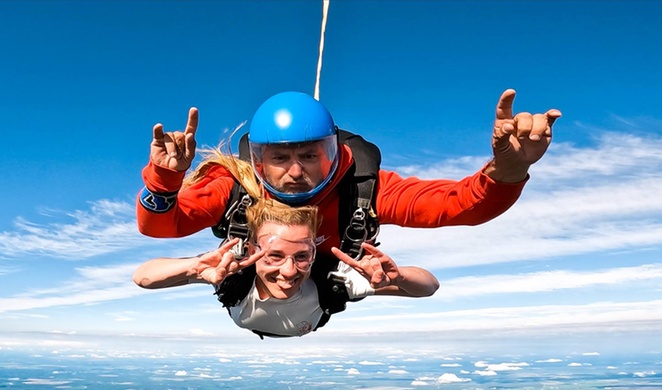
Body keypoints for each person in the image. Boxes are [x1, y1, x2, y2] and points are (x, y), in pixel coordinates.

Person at [137, 90, 561, 255]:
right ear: (258, 161)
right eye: (280, 159)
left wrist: (509, 167)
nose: (297, 171)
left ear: (334, 150)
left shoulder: (364, 188)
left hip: (326, 278)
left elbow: (459, 206)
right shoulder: (235, 186)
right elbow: (161, 225)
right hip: (257, 279)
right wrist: (165, 179)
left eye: (311, 154)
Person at [133, 201, 439, 338]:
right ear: (252, 251)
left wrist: (397, 277)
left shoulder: (333, 279)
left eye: (302, 257)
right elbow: (143, 277)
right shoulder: (232, 272)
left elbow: (429, 286)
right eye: (274, 256)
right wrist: (194, 267)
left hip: (300, 318)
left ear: (314, 255)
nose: (289, 271)